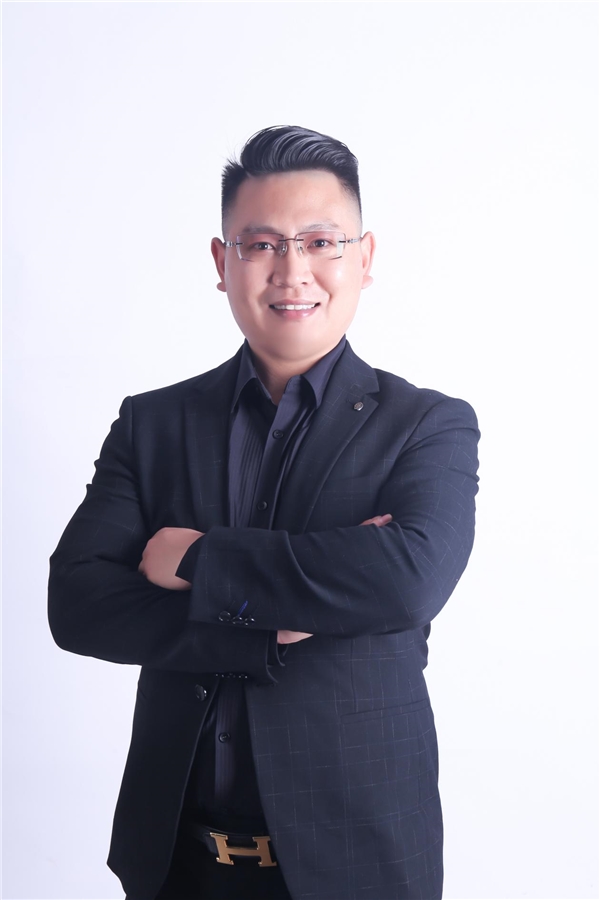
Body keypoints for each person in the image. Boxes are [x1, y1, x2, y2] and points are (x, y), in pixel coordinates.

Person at [48, 125, 480, 900]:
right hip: (177, 862)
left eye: (321, 241)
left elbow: (407, 580)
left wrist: (194, 559)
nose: (292, 270)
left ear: (364, 258)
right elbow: (77, 604)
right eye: (262, 245)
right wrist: (260, 631)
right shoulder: (154, 424)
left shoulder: (427, 425)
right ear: (223, 263)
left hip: (359, 867)